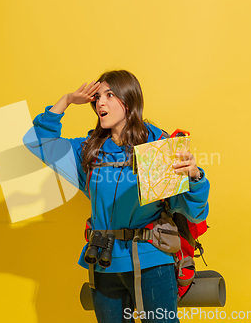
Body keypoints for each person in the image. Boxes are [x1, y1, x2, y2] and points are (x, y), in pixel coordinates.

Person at [23, 70, 210, 323]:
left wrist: (196, 177)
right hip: (104, 263)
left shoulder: (156, 146)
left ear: (129, 101)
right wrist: (66, 100)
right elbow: (37, 142)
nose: (100, 102)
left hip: (151, 263)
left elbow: (194, 212)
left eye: (110, 95)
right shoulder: (88, 151)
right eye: (98, 96)